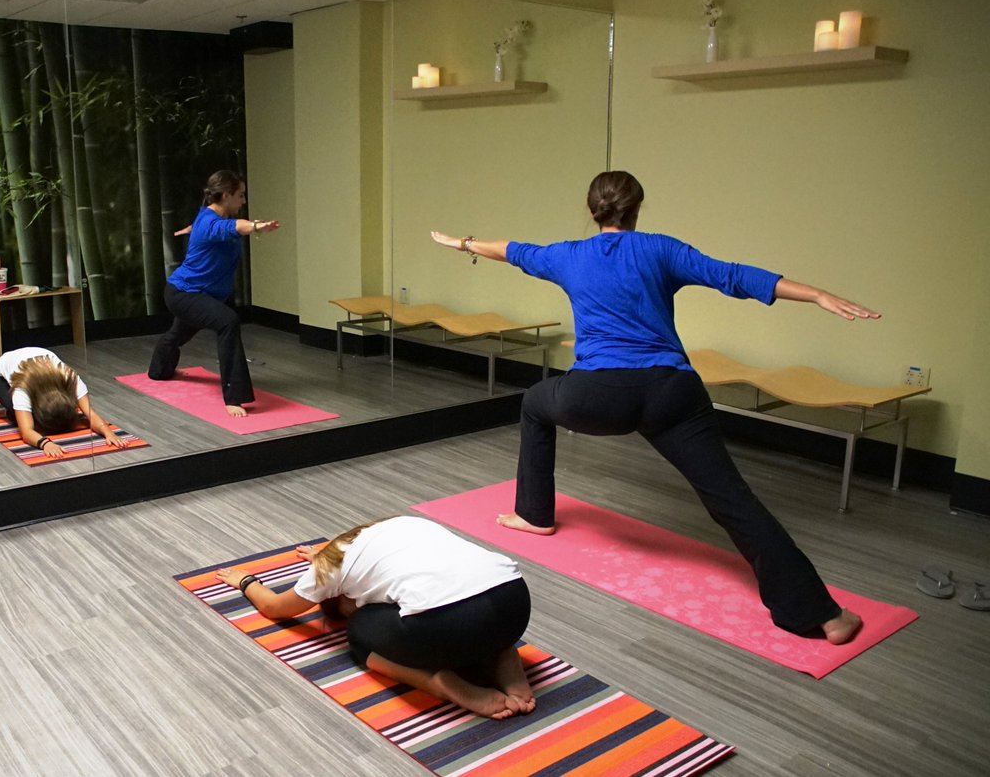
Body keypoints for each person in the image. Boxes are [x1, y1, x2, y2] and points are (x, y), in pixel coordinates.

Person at [429, 170, 876, 645]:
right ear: (637, 208)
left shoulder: (567, 256)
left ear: (591, 210)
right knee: (732, 500)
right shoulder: (660, 249)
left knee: (536, 403)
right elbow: (732, 276)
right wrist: (816, 295)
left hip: (599, 398)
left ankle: (534, 515)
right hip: (672, 394)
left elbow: (511, 250)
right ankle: (823, 615)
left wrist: (463, 243)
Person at [215, 516, 535, 719]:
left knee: (356, 633)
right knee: (455, 607)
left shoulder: (329, 567)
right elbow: (367, 559)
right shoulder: (404, 524)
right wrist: (323, 555)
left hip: (448, 629)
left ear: (337, 594)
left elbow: (274, 608)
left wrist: (247, 582)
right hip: (515, 602)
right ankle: (505, 655)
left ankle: (439, 683)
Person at [147, 170, 280, 418]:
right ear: (226, 195)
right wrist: (257, 226)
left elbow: (209, 226)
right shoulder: (214, 222)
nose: (243, 201)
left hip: (202, 294)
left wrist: (192, 229)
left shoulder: (207, 218)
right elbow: (234, 227)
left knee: (178, 333)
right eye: (240, 195)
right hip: (185, 293)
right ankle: (234, 396)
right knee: (228, 322)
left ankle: (158, 370)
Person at [0, 346, 127, 458]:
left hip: (38, 356)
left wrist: (108, 432)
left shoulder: (71, 378)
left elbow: (91, 414)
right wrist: (45, 443)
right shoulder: (22, 390)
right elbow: (26, 431)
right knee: (17, 415)